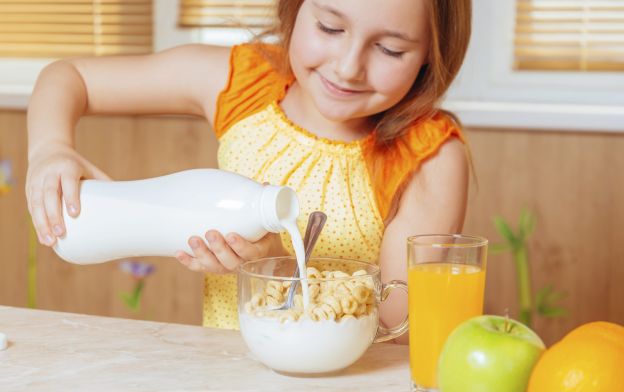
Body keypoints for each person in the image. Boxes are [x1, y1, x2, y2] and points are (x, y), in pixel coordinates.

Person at [26, 0, 472, 341]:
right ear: (295, 10)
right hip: (224, 382)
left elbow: (398, 329)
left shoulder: (427, 156)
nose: (348, 66)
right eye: (329, 27)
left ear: (430, 56)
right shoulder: (242, 82)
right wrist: (50, 147)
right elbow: (70, 77)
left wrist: (277, 271)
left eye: (390, 49)